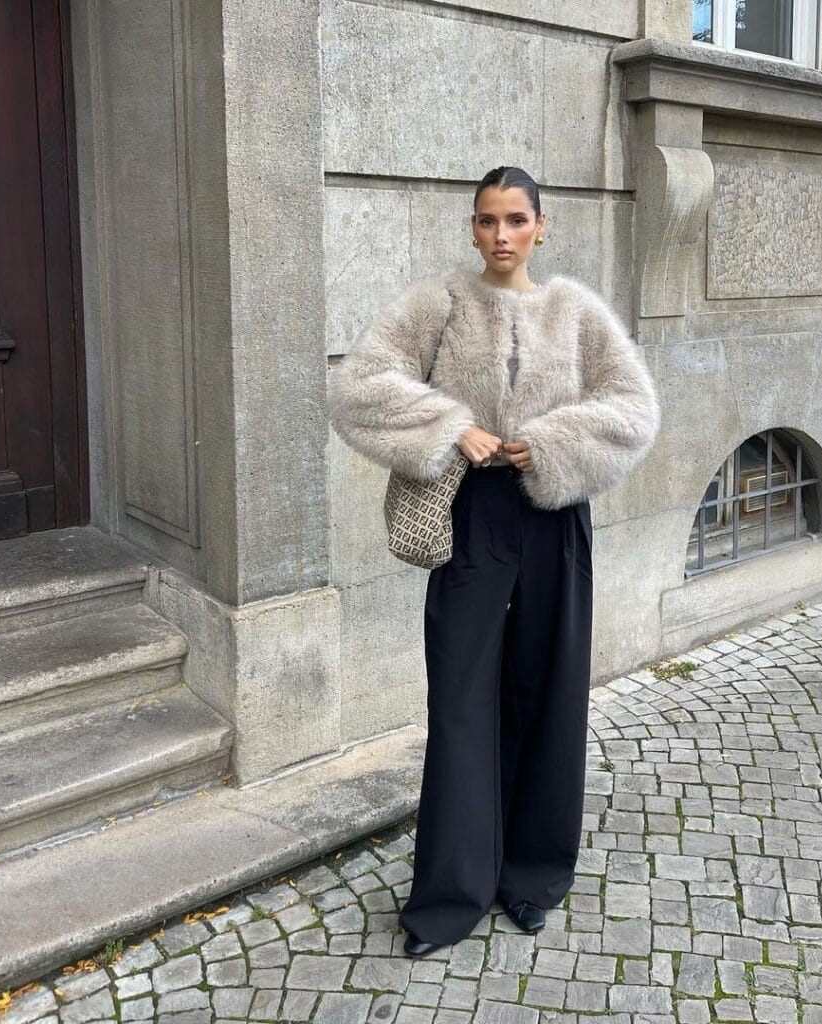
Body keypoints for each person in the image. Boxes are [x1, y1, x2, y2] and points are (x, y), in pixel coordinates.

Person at [328, 166, 661, 957]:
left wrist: (547, 443)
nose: (501, 235)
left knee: (548, 691)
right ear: (471, 228)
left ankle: (533, 873)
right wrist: (451, 426)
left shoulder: (576, 310)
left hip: (553, 513)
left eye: (516, 219)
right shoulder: (437, 304)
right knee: (463, 699)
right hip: (471, 513)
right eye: (486, 221)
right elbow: (357, 388)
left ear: (542, 225)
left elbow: (636, 407)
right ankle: (450, 895)